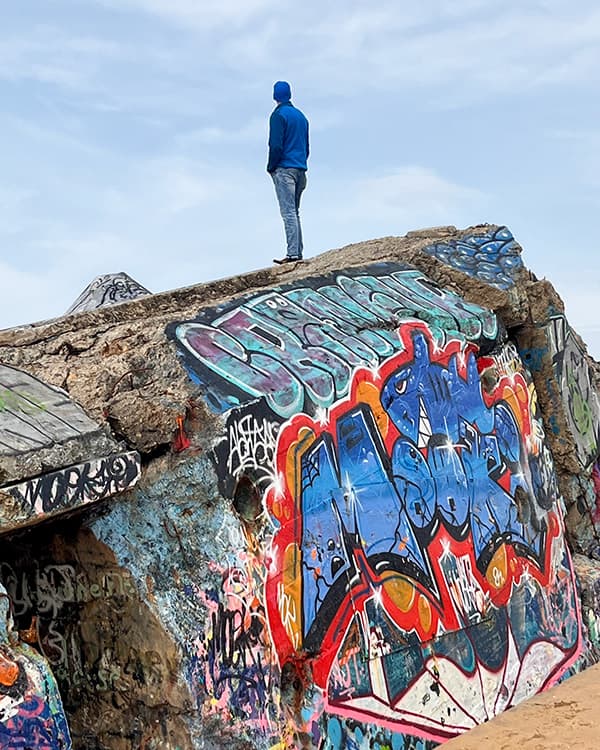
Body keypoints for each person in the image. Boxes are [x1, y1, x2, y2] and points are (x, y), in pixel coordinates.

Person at [267, 81, 309, 264]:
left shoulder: (278, 115)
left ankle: (292, 254)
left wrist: (271, 166)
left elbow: (275, 145)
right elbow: (306, 147)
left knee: (288, 213)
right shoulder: (301, 116)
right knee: (295, 212)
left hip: (285, 168)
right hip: (301, 169)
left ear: (275, 96)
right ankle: (297, 252)